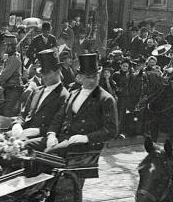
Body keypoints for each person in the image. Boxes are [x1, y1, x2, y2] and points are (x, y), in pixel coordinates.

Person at [42, 54, 119, 187]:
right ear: (80, 78)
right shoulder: (73, 94)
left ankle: (44, 190)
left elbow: (111, 130)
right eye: (88, 77)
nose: (92, 80)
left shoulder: (106, 99)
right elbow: (58, 118)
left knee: (46, 155)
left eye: (95, 76)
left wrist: (86, 137)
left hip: (85, 146)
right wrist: (51, 134)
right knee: (29, 149)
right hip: (64, 138)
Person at [17, 50, 70, 150]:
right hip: (25, 132)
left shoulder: (64, 96)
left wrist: (38, 131)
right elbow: (23, 114)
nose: (43, 76)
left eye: (47, 72)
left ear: (58, 71)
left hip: (45, 138)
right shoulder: (37, 91)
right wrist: (17, 124)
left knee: (22, 146)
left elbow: (59, 126)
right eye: (42, 72)